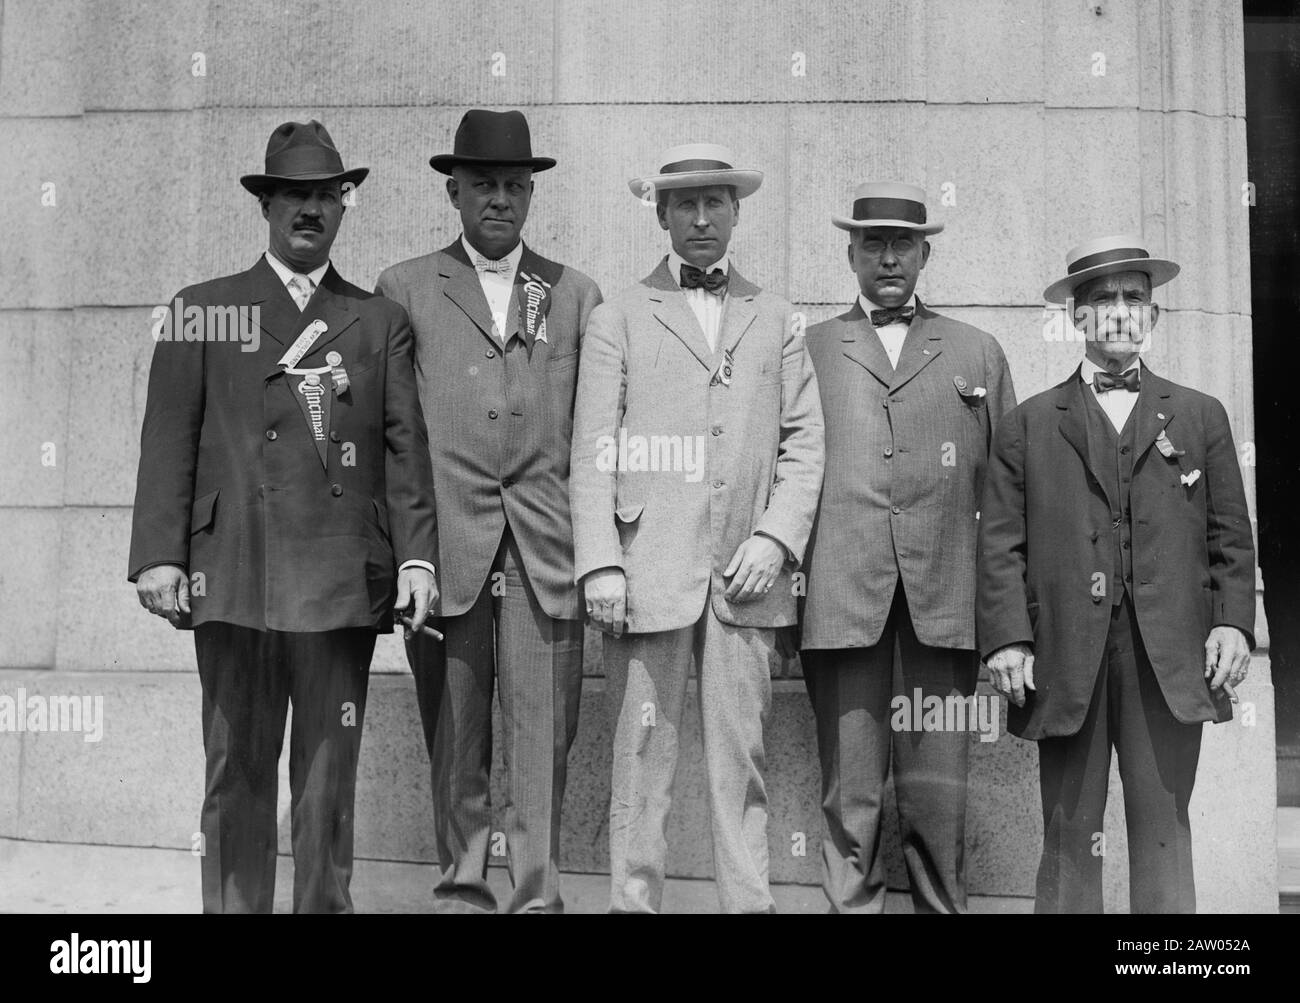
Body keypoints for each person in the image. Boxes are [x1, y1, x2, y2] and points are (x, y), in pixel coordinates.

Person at [128, 120, 437, 913]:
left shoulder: (376, 321)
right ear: (265, 205)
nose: (310, 210)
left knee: (328, 785)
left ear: (344, 207)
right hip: (233, 573)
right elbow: (169, 438)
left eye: (326, 196)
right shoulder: (207, 310)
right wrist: (160, 554)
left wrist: (415, 559)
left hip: (338, 582)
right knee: (236, 774)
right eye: (293, 195)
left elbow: (404, 450)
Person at [570, 143, 825, 913]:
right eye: (687, 203)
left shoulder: (777, 317)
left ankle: (749, 907)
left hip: (744, 578)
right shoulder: (617, 316)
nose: (704, 217)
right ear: (663, 214)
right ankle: (633, 904)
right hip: (648, 572)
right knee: (641, 758)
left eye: (717, 201)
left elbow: (805, 443)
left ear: (738, 211)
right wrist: (601, 563)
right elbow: (592, 448)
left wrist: (777, 539)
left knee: (739, 761)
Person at [977, 234, 1257, 913]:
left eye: (1136, 298)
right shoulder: (1029, 424)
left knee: (1165, 829)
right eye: (1104, 300)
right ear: (1077, 317)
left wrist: (1232, 624)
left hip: (1166, 654)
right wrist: (1008, 638)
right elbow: (1000, 545)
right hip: (1068, 653)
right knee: (1070, 833)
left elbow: (1231, 538)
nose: (1122, 312)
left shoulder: (1199, 414)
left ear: (1154, 315)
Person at [376, 109, 602, 913]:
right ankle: (462, 890)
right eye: (482, 186)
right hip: (447, 549)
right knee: (456, 730)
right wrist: (407, 554)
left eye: (513, 185)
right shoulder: (405, 288)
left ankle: (537, 895)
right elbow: (393, 436)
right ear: (453, 191)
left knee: (546, 736)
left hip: (546, 551)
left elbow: (595, 432)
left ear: (532, 193)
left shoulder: (575, 293)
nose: (498, 200)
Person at [799, 182, 1016, 913]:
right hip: (841, 596)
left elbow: (1007, 493)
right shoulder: (813, 348)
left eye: (903, 243)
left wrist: (1007, 618)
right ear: (851, 252)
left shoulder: (975, 352)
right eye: (873, 243)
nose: (888, 257)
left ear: (925, 252)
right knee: (849, 795)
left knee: (938, 797)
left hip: (945, 602)